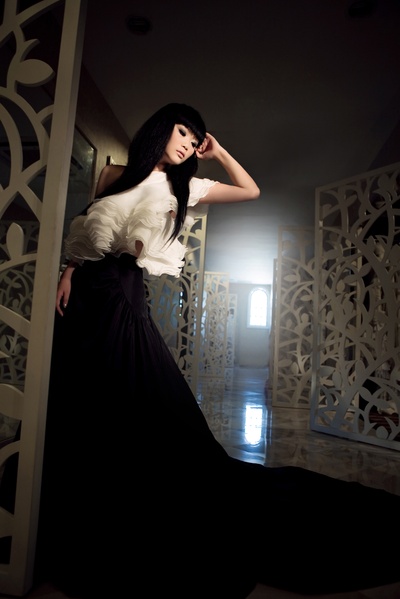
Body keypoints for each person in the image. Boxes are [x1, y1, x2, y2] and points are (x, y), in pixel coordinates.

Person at [35, 103, 400, 599]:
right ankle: (76, 492)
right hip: (85, 294)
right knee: (82, 394)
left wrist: (220, 152)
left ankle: (130, 494)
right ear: (162, 127)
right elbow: (87, 228)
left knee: (140, 397)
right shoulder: (113, 174)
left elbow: (251, 190)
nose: (188, 143)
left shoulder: (186, 186)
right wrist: (69, 270)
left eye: (195, 139)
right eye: (183, 131)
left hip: (123, 294)